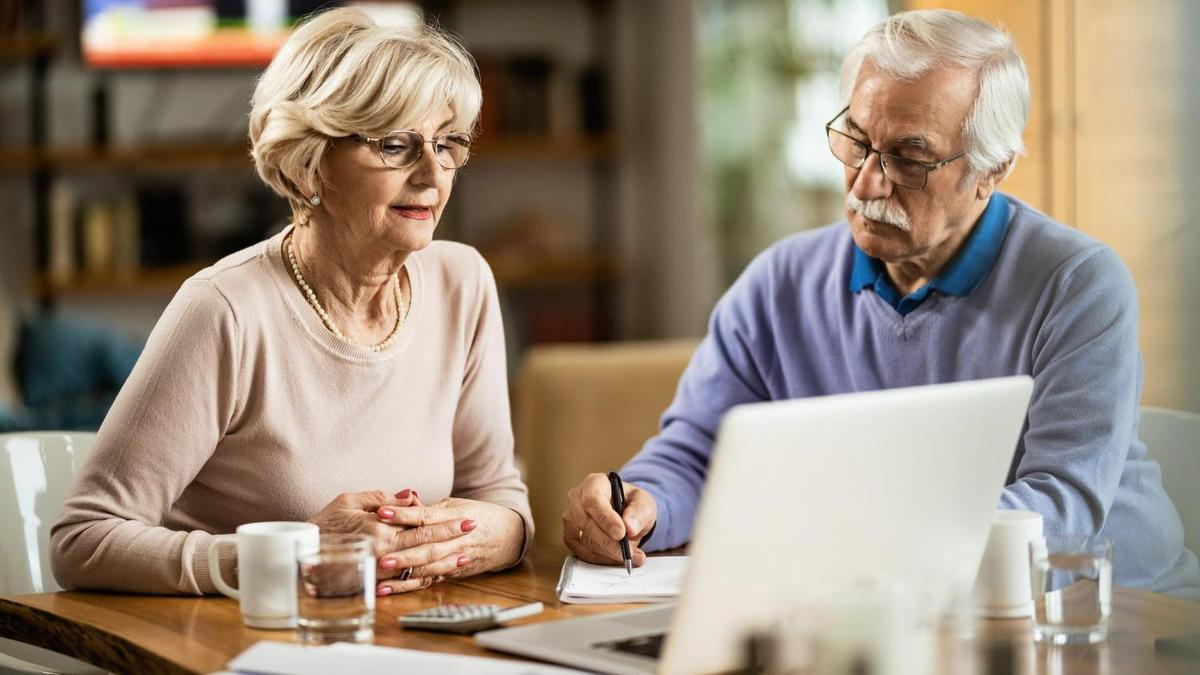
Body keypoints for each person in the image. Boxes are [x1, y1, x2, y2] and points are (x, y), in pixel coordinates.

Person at [563, 9, 1200, 598]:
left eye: (908, 157)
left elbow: (1058, 512)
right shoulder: (779, 283)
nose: (867, 181)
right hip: (885, 606)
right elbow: (699, 451)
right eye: (857, 140)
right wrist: (641, 506)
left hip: (1115, 611)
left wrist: (850, 542)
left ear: (992, 169)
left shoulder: (1078, 285)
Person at [51, 7, 532, 596]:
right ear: (309, 165)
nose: (433, 174)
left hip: (409, 638)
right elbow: (83, 541)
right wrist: (293, 553)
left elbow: (499, 498)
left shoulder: (464, 283)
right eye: (394, 146)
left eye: (446, 143)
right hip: (240, 643)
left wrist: (493, 534)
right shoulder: (224, 310)